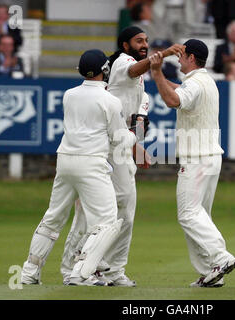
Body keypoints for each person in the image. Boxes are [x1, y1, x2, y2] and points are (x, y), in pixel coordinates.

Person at [61, 26, 185, 287]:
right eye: (139, 41)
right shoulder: (121, 62)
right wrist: (160, 57)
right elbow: (132, 71)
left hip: (120, 144)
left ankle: (111, 269)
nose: (144, 44)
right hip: (105, 146)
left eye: (147, 41)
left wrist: (136, 146)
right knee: (95, 211)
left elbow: (135, 121)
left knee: (123, 211)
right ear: (125, 45)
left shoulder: (141, 87)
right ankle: (80, 265)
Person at [21, 49, 139, 286]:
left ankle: (29, 272)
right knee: (107, 221)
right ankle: (81, 272)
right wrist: (134, 136)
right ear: (105, 71)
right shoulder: (110, 100)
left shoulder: (69, 95)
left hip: (65, 160)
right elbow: (118, 139)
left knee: (53, 217)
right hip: (91, 163)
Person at [150, 39, 235, 287]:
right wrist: (156, 76)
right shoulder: (203, 80)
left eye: (181, 55)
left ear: (190, 57)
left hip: (197, 160)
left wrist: (156, 73)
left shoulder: (196, 84)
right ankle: (211, 272)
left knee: (188, 215)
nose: (178, 59)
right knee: (200, 217)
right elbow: (179, 90)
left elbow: (173, 101)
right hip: (210, 159)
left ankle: (221, 257)